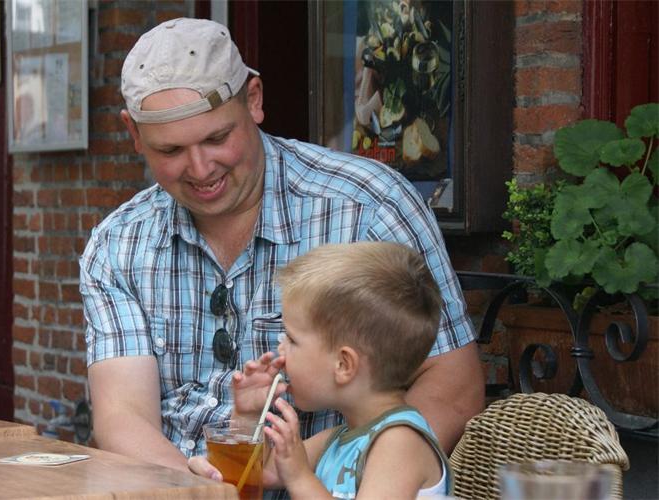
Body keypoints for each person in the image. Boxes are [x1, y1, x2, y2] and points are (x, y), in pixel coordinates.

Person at [79, 17, 483, 474]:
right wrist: (202, 491)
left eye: (217, 138)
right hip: (171, 486)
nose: (200, 168)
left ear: (253, 99)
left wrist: (358, 479)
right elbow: (122, 415)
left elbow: (453, 386)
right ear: (134, 134)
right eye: (170, 151)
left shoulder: (368, 207)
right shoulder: (118, 243)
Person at [190, 241, 454, 498]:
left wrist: (300, 478)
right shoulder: (339, 439)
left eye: (292, 339)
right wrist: (248, 415)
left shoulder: (400, 443)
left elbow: (291, 474)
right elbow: (265, 472)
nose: (280, 348)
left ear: (343, 365)